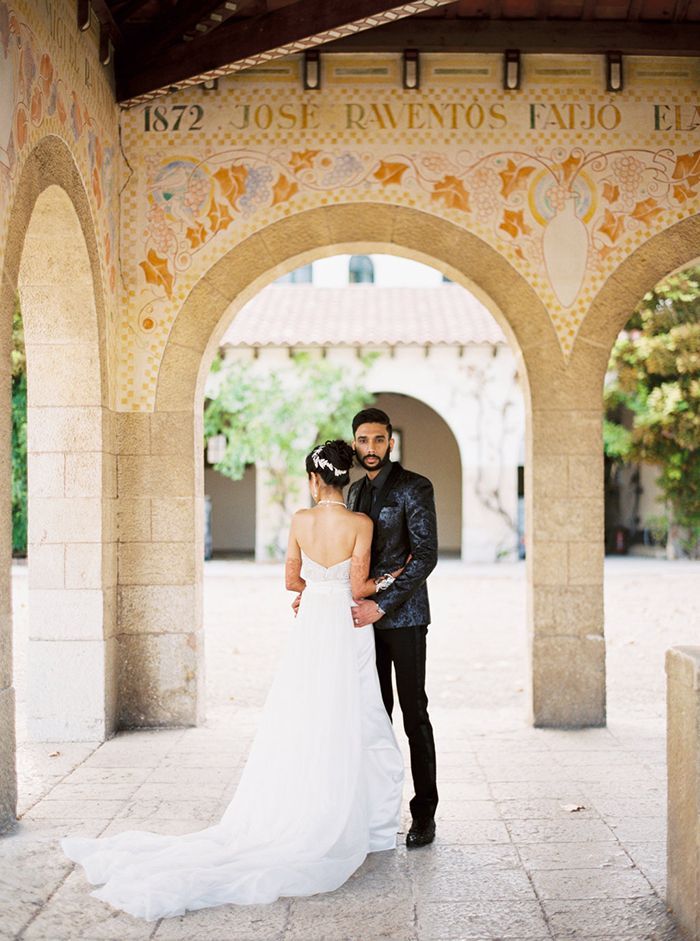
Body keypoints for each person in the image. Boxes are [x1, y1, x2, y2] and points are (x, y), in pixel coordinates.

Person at [60, 440, 405, 921]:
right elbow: (359, 586)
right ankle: (359, 816)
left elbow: (292, 581)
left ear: (313, 479)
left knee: (305, 709)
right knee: (354, 711)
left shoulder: (300, 521)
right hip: (346, 624)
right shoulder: (360, 524)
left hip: (312, 621)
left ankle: (300, 802)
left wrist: (314, 588)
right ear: (344, 478)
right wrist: (393, 576)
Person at [347, 408, 439, 848]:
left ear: (391, 442)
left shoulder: (414, 487)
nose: (371, 449)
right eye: (363, 440)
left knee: (413, 713)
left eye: (379, 440)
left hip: (404, 618)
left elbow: (425, 555)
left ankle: (424, 814)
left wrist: (381, 605)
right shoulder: (352, 492)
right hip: (361, 622)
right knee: (373, 714)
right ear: (354, 443)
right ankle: (379, 811)